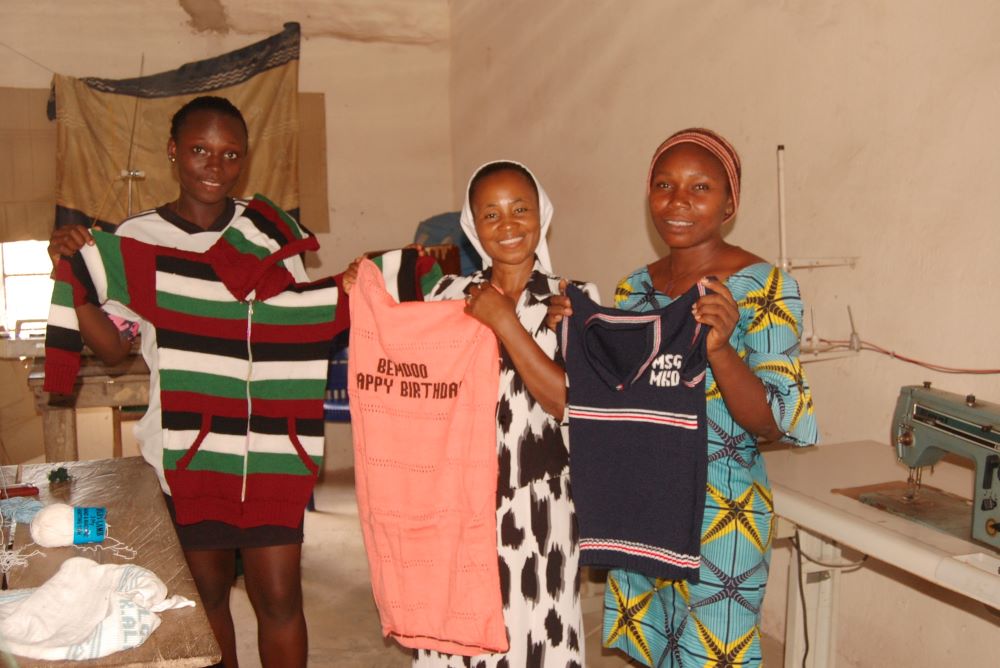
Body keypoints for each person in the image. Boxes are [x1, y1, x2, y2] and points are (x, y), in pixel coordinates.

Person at [47, 96, 310, 668]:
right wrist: (75, 278)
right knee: (205, 596)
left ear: (243, 160)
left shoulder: (268, 231)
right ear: (172, 153)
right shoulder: (137, 237)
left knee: (281, 597)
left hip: (267, 448)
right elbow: (115, 347)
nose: (214, 166)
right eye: (199, 150)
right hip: (186, 450)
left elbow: (297, 322)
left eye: (229, 154)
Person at [550, 128, 818, 667]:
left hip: (722, 513)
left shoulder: (764, 287)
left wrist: (720, 351)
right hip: (644, 502)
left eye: (701, 188)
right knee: (655, 652)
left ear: (730, 204)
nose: (678, 202)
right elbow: (615, 402)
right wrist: (570, 337)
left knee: (713, 655)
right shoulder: (634, 289)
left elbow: (776, 423)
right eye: (665, 185)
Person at [345, 160, 594, 667]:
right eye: (491, 214)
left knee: (535, 636)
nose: (508, 226)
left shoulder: (573, 299)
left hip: (537, 508)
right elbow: (402, 356)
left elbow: (567, 402)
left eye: (520, 209)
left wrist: (505, 322)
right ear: (472, 226)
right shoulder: (448, 295)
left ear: (542, 215)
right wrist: (362, 288)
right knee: (452, 637)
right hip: (452, 504)